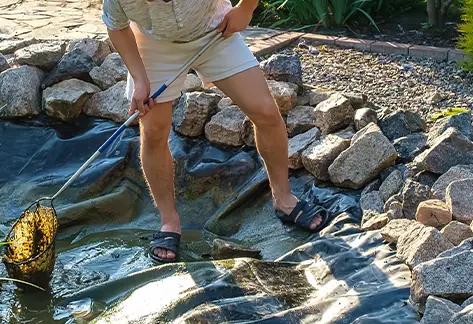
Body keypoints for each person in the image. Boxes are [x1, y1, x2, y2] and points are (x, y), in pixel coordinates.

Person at [103, 0, 331, 264]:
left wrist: (245, 8)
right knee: (153, 130)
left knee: (266, 111)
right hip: (154, 44)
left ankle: (284, 199)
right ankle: (169, 222)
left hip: (216, 32)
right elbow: (116, 26)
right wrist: (140, 78)